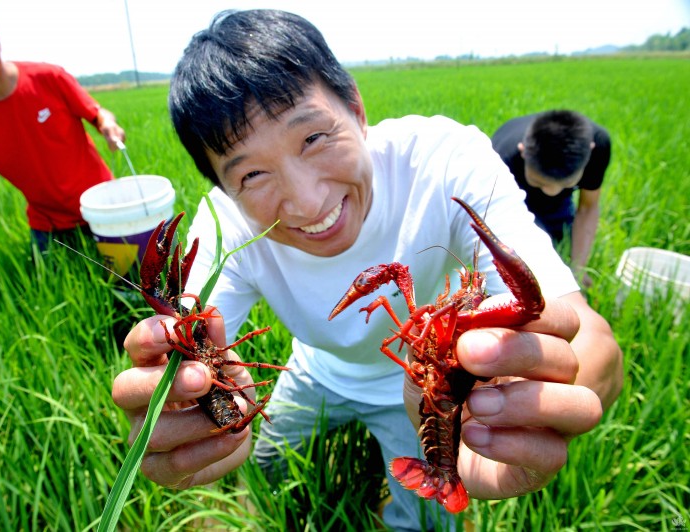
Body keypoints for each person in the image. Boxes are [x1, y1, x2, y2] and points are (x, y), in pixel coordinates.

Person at [111, 10, 622, 531]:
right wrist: (177, 406)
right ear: (222, 187)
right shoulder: (225, 227)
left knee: (423, 522)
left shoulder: (447, 161)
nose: (308, 203)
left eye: (313, 138)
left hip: (422, 397)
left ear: (356, 107)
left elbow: (586, 334)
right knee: (262, 467)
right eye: (252, 174)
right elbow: (189, 333)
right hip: (313, 372)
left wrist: (541, 404)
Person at [0, 4, 125, 256]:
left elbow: (97, 114)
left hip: (105, 207)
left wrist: (108, 125)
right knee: (56, 292)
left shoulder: (48, 77)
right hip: (47, 225)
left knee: (129, 287)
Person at [490, 110, 611, 284]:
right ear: (522, 150)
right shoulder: (502, 158)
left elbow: (587, 208)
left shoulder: (598, 146)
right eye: (539, 182)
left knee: (559, 250)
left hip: (560, 206)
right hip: (514, 198)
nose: (551, 192)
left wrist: (578, 270)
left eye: (567, 183)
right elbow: (495, 223)